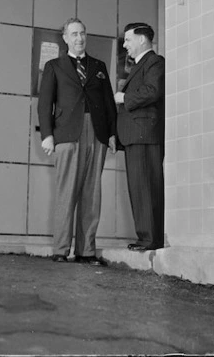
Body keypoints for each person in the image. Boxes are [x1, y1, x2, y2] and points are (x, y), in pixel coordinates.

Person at [38, 18, 117, 266]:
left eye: (82, 33)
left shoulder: (99, 66)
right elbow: (44, 104)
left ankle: (87, 251)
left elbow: (108, 104)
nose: (79, 38)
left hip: (96, 133)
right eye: (74, 34)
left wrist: (112, 134)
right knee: (65, 193)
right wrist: (47, 135)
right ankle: (61, 249)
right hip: (66, 134)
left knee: (91, 194)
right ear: (65, 38)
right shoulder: (54, 66)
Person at [114, 22, 165, 251]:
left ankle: (150, 239)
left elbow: (152, 91)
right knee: (139, 186)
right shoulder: (140, 65)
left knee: (146, 186)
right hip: (137, 135)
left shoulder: (155, 61)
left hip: (145, 134)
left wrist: (124, 98)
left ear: (142, 39)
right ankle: (146, 237)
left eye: (127, 39)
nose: (125, 45)